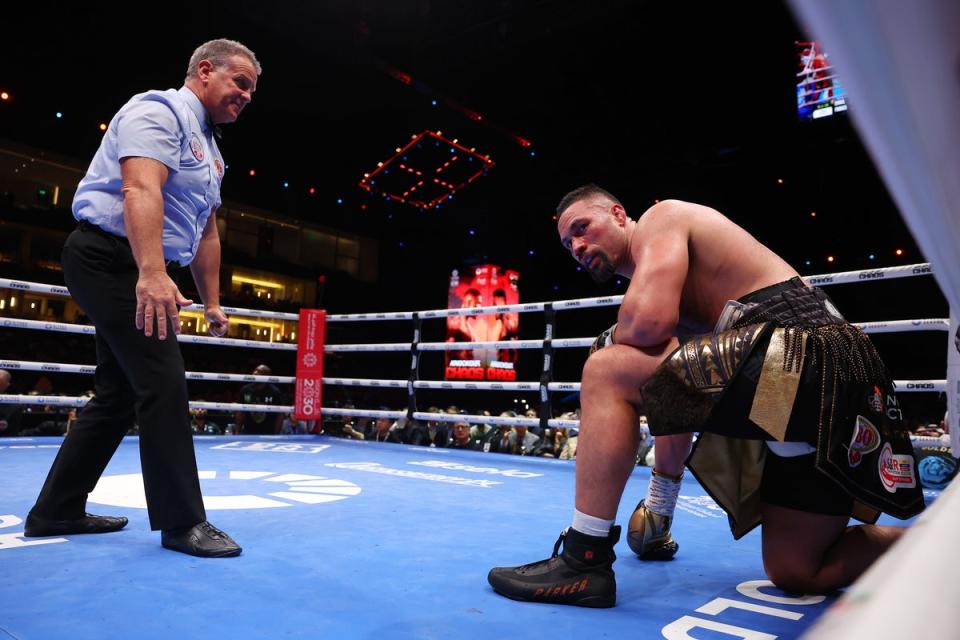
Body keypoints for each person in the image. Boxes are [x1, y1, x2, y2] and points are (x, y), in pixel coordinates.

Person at [488, 185, 924, 607]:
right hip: (822, 393)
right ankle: (937, 544)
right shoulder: (673, 290)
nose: (577, 246)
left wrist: (608, 339)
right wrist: (659, 510)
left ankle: (584, 557)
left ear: (619, 214)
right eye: (567, 244)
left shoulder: (664, 218)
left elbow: (647, 325)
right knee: (797, 570)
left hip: (804, 356)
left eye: (582, 228)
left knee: (607, 367)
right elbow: (675, 402)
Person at [23, 39, 261, 558]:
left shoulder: (211, 149)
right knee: (161, 379)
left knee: (118, 393)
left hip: (139, 263)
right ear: (205, 71)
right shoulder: (157, 109)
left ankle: (56, 510)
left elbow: (207, 232)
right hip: (109, 257)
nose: (246, 95)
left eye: (252, 90)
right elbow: (139, 189)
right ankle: (182, 523)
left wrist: (213, 301)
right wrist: (152, 271)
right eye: (240, 82)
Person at [235, 364, 284, 435]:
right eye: (255, 370)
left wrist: (276, 434)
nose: (255, 373)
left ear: (266, 376)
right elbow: (240, 412)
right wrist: (237, 431)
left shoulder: (274, 392)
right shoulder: (246, 389)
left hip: (268, 432)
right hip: (248, 431)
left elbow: (280, 415)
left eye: (259, 371)